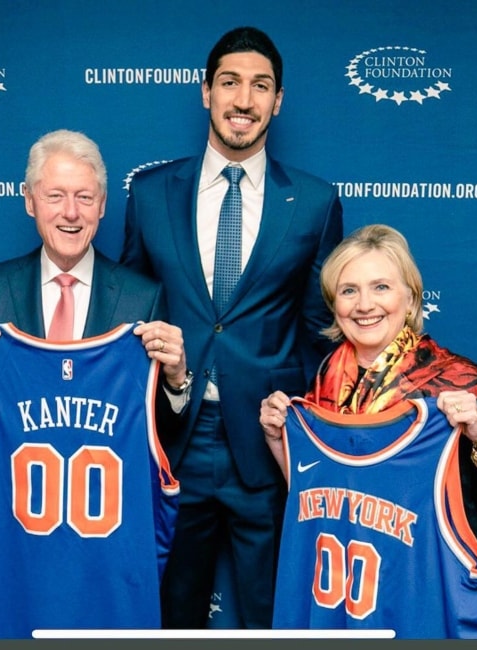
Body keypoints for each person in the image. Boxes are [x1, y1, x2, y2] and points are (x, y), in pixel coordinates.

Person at [0, 129, 191, 637]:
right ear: (29, 202)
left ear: (103, 205)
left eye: (84, 197)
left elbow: (158, 427)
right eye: (55, 196)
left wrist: (177, 380)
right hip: (14, 554)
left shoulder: (142, 297)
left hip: (106, 562)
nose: (71, 212)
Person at [120, 26, 343, 628]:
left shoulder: (317, 203)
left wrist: (303, 432)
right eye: (230, 83)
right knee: (171, 610)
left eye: (260, 86)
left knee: (275, 613)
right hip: (173, 439)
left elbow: (321, 332)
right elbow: (128, 311)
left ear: (278, 101)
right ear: (205, 93)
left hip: (267, 445)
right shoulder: (147, 194)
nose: (243, 100)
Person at [259, 223, 477, 638]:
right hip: (348, 602)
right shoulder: (326, 377)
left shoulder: (456, 380)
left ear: (410, 298)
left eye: (381, 287)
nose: (364, 304)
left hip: (432, 597)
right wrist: (280, 439)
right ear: (334, 305)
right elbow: (318, 495)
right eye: (349, 290)